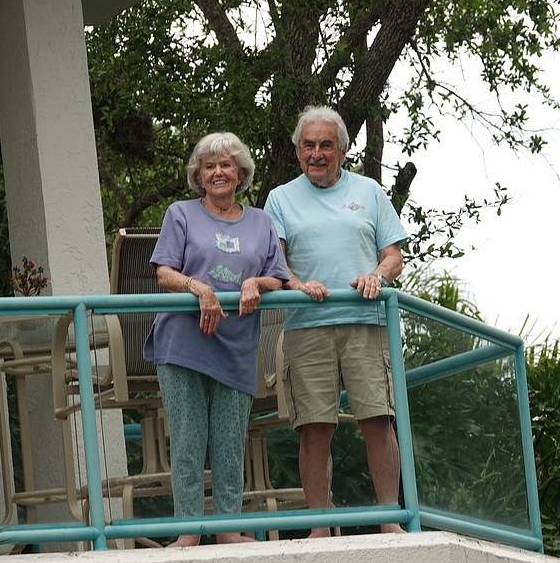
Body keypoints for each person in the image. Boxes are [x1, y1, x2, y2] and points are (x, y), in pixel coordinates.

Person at [264, 105, 408, 537]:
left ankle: (390, 521)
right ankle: (319, 527)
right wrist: (297, 284)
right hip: (306, 326)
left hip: (366, 322)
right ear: (297, 151)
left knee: (378, 421)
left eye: (326, 145)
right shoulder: (280, 198)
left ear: (343, 150)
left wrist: (376, 276)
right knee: (314, 428)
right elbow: (275, 263)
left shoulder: (370, 192)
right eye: (308, 145)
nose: (317, 153)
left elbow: (393, 255)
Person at [143, 132, 288, 547]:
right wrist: (199, 288)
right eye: (209, 166)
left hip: (237, 345)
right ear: (199, 175)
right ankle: (188, 532)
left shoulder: (261, 222)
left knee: (229, 444)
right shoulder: (181, 214)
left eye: (226, 165)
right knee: (188, 442)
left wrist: (254, 282)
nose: (218, 172)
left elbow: (277, 276)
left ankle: (227, 530)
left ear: (241, 173)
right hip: (183, 343)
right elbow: (164, 273)